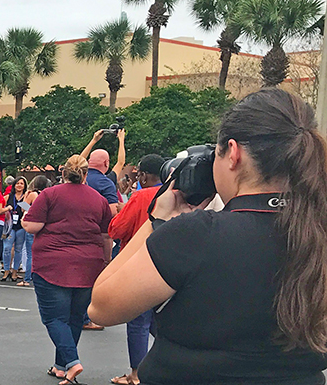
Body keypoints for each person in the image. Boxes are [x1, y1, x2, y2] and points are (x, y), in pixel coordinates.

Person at [90, 89, 327, 384]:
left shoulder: (197, 235)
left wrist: (157, 220)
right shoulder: (317, 233)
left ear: (233, 153)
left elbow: (101, 306)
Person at [22, 155, 113, 385]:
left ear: (63, 173)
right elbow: (105, 236)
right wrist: (106, 261)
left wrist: (25, 217)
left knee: (54, 318)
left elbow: (33, 226)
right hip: (88, 264)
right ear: (85, 174)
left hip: (52, 263)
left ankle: (72, 362)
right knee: (74, 318)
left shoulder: (49, 195)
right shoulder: (98, 199)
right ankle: (60, 366)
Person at [102, 153, 163, 385]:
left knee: (138, 320)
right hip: (170, 265)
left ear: (144, 175)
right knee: (161, 320)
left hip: (139, 263)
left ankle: (136, 373)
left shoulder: (141, 196)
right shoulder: (175, 194)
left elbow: (116, 229)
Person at [18, 175, 52, 287]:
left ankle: (27, 278)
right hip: (43, 225)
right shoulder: (46, 194)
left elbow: (24, 207)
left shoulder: (32, 194)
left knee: (30, 253)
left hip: (32, 223)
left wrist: (26, 198)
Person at [2, 177, 29, 283]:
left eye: (21, 183)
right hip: (10, 226)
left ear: (24, 186)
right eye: (17, 183)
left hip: (21, 226)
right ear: (14, 185)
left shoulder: (26, 198)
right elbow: (1, 209)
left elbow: (29, 210)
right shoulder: (8, 197)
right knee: (7, 248)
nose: (19, 185)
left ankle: (15, 271)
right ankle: (6, 270)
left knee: (18, 249)